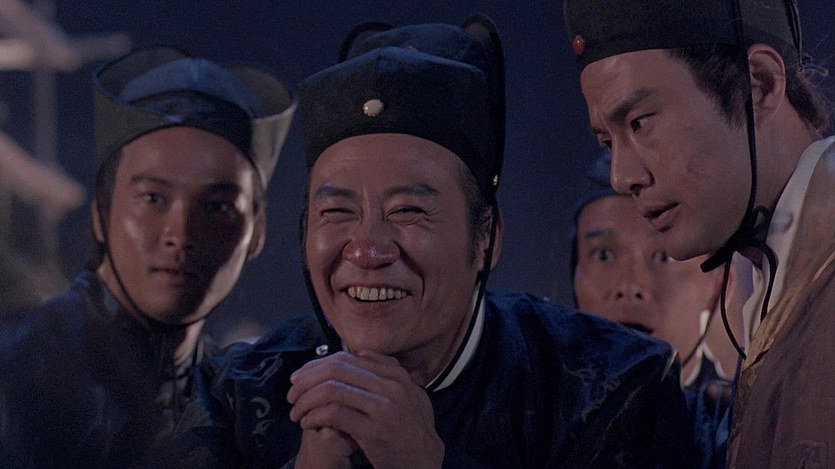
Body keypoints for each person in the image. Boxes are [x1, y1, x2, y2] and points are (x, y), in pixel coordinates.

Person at [177, 16, 691, 467]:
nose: (368, 250)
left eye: (408, 211)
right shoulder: (237, 393)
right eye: (337, 212)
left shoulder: (615, 387)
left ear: (487, 237)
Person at [564, 0, 833, 466]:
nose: (622, 177)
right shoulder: (775, 286)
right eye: (608, 141)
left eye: (640, 123)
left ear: (759, 85)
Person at [0, 46, 295, 467]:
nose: (181, 234)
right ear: (101, 214)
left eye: (216, 207)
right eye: (154, 199)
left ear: (257, 233)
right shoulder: (18, 374)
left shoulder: (242, 403)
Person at [571, 152, 745, 468]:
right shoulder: (530, 412)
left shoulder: (745, 430)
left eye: (663, 257)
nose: (630, 286)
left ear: (719, 288)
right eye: (604, 255)